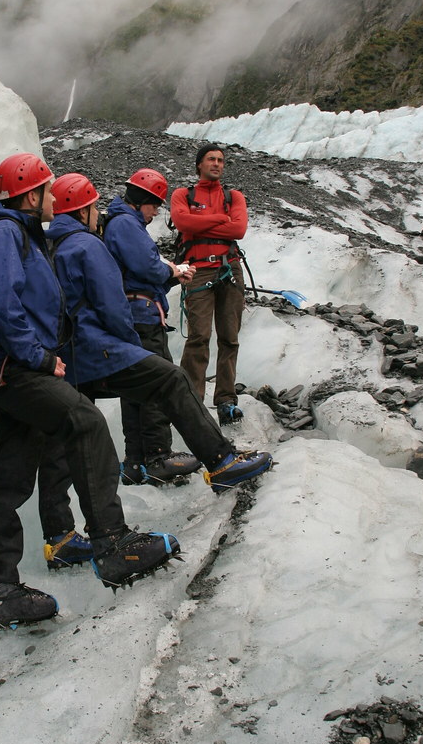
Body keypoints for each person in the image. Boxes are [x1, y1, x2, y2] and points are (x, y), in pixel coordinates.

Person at [0, 153, 181, 615]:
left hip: (9, 371)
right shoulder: (8, 232)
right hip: (16, 369)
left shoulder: (18, 233)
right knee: (85, 423)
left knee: (7, 479)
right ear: (30, 196)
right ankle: (113, 543)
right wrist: (39, 356)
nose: (53, 199)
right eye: (47, 191)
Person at [43, 172, 272, 504]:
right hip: (98, 345)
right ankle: (216, 461)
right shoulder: (88, 243)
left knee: (86, 431)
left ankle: (134, 468)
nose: (99, 215)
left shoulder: (51, 245)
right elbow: (113, 301)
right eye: (93, 209)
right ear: (82, 212)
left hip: (72, 354)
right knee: (169, 379)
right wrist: (128, 344)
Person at [102, 168, 201, 486]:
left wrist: (169, 272)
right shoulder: (127, 224)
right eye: (154, 203)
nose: (157, 210)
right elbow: (146, 266)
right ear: (143, 199)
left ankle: (135, 461)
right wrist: (173, 270)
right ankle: (159, 457)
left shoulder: (118, 222)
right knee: (158, 386)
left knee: (135, 390)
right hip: (143, 317)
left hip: (132, 316)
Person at [170, 143, 248, 426]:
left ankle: (226, 400)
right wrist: (219, 219)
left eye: (221, 160)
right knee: (199, 337)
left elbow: (238, 229)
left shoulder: (233, 196)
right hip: (198, 271)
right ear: (199, 165)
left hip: (229, 269)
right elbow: (181, 222)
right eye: (211, 159)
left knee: (229, 337)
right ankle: (192, 402)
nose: (217, 164)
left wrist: (198, 222)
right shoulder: (183, 195)